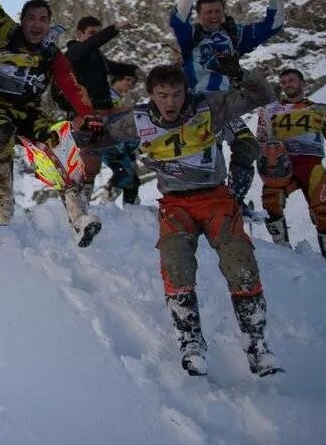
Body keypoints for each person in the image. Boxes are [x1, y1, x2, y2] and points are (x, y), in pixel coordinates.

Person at [85, 60, 281, 377]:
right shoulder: (139, 120)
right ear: (151, 95)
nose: (171, 102)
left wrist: (237, 73)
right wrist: (89, 134)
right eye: (163, 95)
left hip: (216, 197)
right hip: (175, 204)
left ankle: (257, 346)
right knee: (175, 267)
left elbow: (263, 94)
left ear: (185, 91)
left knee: (240, 263)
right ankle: (190, 343)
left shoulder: (209, 107)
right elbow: (101, 137)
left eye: (177, 94)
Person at [0, 0, 99, 242]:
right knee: (1, 133)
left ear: (49, 24)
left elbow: (71, 85)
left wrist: (87, 114)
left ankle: (78, 217)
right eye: (31, 18)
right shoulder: (4, 32)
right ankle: (3, 202)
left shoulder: (51, 53)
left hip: (30, 112)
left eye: (43, 19)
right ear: (22, 20)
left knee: (59, 141)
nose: (37, 24)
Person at [168, 0, 287, 203]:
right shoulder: (192, 35)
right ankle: (211, 199)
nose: (213, 16)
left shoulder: (235, 34)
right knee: (210, 152)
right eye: (208, 12)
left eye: (217, 12)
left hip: (229, 102)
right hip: (199, 105)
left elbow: (272, 26)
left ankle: (234, 197)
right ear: (199, 16)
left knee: (248, 146)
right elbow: (176, 19)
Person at [256, 67, 326, 262]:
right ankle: (284, 253)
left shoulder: (322, 111)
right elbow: (261, 140)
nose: (288, 85)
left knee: (323, 211)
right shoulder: (269, 110)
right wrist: (262, 159)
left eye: (292, 81)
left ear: (302, 83)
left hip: (311, 166)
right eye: (284, 82)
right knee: (271, 202)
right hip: (280, 167)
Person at [54, 16, 139, 202]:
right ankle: (80, 203)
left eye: (98, 34)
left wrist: (135, 70)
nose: (95, 38)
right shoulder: (74, 52)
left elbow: (113, 67)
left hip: (106, 114)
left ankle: (90, 200)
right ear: (79, 34)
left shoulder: (96, 56)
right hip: (86, 116)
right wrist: (114, 28)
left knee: (108, 162)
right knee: (91, 163)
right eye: (92, 33)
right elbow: (86, 48)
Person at [97, 63, 142, 205]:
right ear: (117, 78)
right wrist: (122, 111)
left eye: (133, 82)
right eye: (127, 80)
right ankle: (108, 197)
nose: (130, 84)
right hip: (109, 143)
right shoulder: (106, 94)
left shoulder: (118, 98)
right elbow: (101, 117)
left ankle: (131, 207)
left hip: (120, 143)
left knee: (132, 177)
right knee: (126, 173)